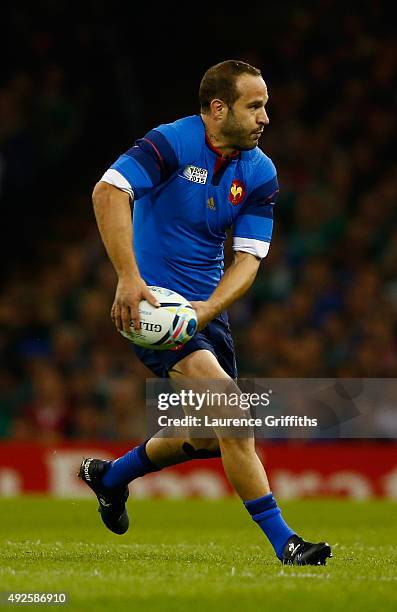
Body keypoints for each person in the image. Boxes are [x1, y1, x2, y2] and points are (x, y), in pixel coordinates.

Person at [79, 60, 332, 566]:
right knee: (234, 413)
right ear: (218, 109)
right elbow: (109, 191)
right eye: (254, 106)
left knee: (205, 437)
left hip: (201, 313)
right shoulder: (170, 142)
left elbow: (249, 257)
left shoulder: (260, 171)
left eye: (266, 106)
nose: (265, 117)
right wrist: (130, 279)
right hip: (153, 309)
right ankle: (287, 543)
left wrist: (206, 309)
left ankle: (110, 478)